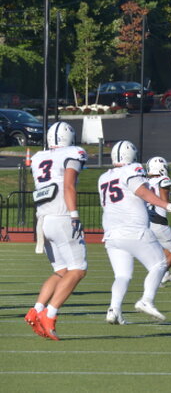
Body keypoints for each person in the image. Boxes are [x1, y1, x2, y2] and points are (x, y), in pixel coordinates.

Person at [99, 140, 171, 325]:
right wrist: (168, 206)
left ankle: (114, 310)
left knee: (122, 275)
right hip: (133, 229)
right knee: (159, 264)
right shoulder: (131, 169)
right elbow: (143, 193)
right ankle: (146, 300)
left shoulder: (103, 177)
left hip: (111, 233)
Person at [24, 122, 88, 340]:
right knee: (78, 270)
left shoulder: (38, 157)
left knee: (61, 270)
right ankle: (49, 314)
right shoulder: (73, 153)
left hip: (43, 219)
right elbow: (68, 186)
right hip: (61, 216)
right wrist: (74, 214)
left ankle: (36, 310)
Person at [146, 156, 171, 287]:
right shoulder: (163, 180)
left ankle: (165, 274)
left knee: (166, 248)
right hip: (158, 221)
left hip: (147, 221)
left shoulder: (146, 182)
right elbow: (164, 203)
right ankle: (158, 276)